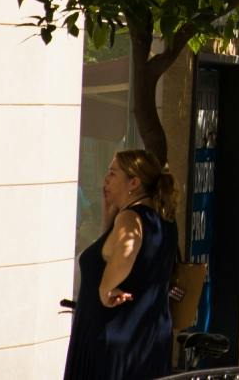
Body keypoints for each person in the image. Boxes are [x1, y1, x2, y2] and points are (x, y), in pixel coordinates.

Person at [64, 150, 178, 380]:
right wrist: (108, 221)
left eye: (112, 173)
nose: (105, 179)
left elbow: (125, 254)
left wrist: (105, 289)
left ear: (133, 183)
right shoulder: (163, 220)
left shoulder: (130, 219)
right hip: (147, 338)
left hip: (113, 340)